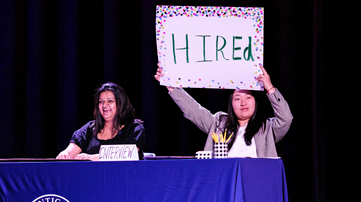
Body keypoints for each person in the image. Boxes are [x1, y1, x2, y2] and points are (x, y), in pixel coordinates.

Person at [154, 64, 292, 157]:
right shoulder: (219, 123)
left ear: (255, 102)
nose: (243, 103)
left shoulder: (266, 127)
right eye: (237, 98)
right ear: (231, 104)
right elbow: (194, 110)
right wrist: (171, 86)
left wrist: (270, 88)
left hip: (256, 184)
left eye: (248, 97)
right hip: (223, 184)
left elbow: (286, 118)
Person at [56, 82, 146, 160]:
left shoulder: (134, 128)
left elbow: (128, 154)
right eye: (101, 101)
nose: (104, 105)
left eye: (110, 101)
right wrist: (65, 155)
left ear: (121, 104)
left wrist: (92, 158)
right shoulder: (89, 129)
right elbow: (70, 151)